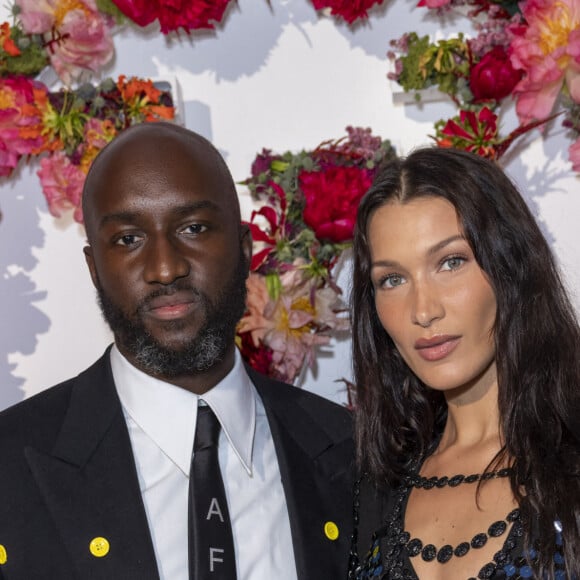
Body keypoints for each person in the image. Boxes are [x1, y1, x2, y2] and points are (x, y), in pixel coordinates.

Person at [0, 122, 354, 580]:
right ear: (94, 268)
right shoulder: (11, 467)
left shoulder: (352, 452)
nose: (165, 268)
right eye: (128, 239)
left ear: (246, 249)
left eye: (193, 228)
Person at [347, 147, 580, 579]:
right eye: (392, 279)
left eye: (451, 262)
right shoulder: (373, 483)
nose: (423, 310)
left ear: (509, 267)